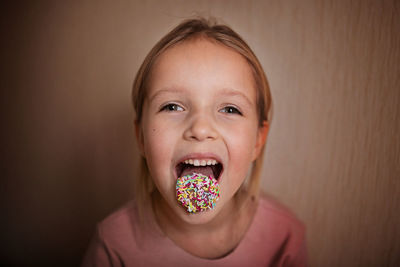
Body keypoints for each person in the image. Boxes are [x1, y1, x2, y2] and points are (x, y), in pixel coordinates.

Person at [82, 17, 307, 267]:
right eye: (172, 106)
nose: (200, 129)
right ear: (141, 137)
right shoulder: (114, 244)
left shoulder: (283, 237)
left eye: (230, 109)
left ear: (257, 140)